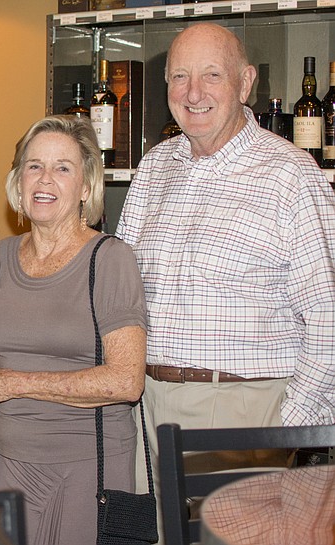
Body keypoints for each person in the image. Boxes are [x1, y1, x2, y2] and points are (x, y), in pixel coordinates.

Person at [116, 20, 335, 531]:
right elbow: (120, 291)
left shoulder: (291, 174)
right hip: (145, 406)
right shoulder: (154, 168)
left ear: (245, 83)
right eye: (179, 76)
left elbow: (329, 319)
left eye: (212, 75)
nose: (193, 93)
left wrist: (283, 431)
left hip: (243, 414)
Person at [0, 115, 147, 545]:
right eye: (33, 165)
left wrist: (17, 383)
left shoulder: (109, 259)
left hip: (85, 465)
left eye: (62, 167)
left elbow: (127, 380)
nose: (44, 178)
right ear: (17, 181)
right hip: (12, 465)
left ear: (86, 187)